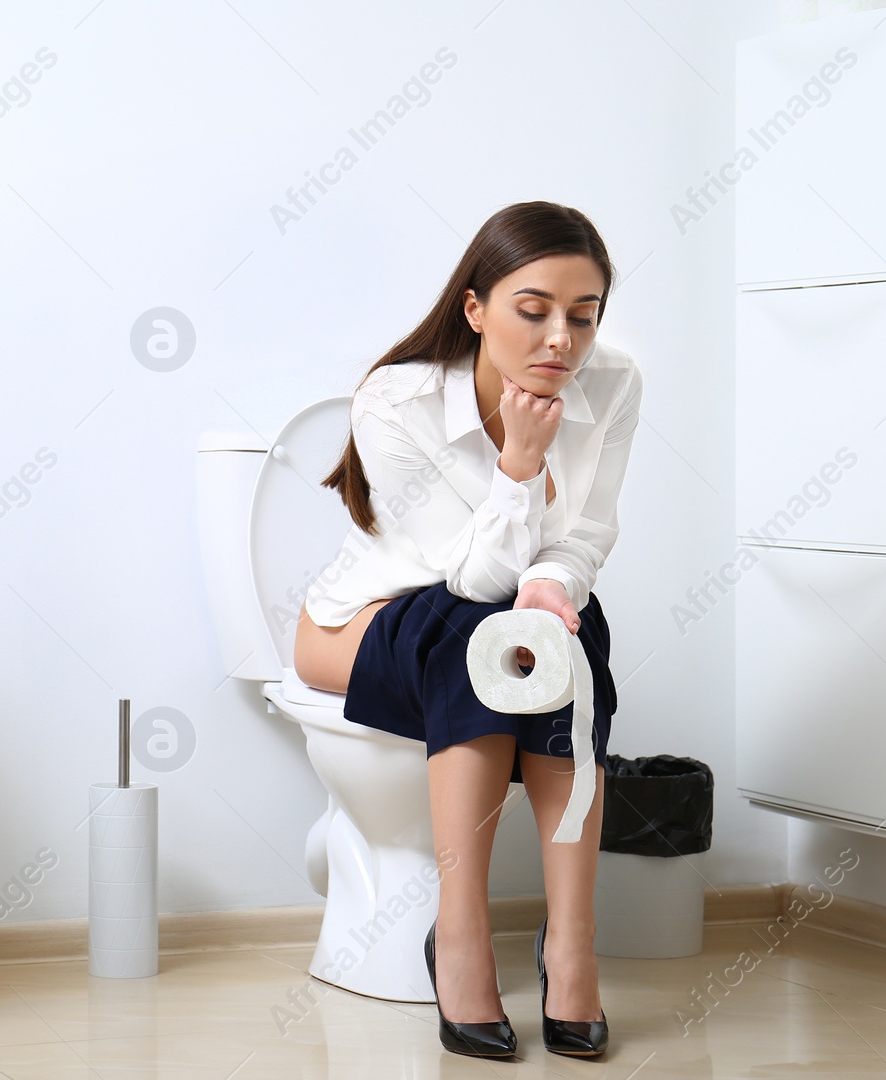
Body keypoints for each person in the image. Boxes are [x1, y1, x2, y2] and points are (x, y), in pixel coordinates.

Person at [293, 200, 644, 1058]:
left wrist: (555, 592)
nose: (561, 338)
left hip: (499, 615)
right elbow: (468, 576)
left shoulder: (616, 384)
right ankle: (461, 937)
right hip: (366, 617)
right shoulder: (397, 399)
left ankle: (571, 943)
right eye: (533, 311)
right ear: (477, 308)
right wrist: (520, 463)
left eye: (583, 317)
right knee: (470, 633)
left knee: (572, 635)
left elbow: (587, 536)